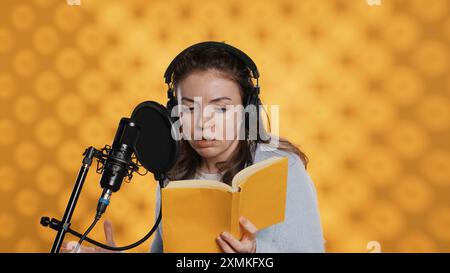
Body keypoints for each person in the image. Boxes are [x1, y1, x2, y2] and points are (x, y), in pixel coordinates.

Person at [61, 41, 325, 253]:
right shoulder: (172, 173)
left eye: (221, 108)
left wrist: (255, 253)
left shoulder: (282, 169)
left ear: (247, 112)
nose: (202, 123)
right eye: (189, 108)